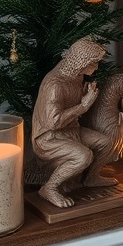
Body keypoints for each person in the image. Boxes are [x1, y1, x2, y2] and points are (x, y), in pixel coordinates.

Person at [32, 37, 114, 208]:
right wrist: (83, 106)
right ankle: (49, 188)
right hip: (49, 138)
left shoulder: (77, 75)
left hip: (71, 130)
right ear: (81, 62)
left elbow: (71, 103)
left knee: (105, 142)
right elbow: (53, 123)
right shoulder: (55, 85)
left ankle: (91, 178)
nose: (96, 67)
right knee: (83, 156)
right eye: (93, 63)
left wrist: (82, 96)